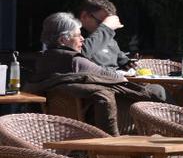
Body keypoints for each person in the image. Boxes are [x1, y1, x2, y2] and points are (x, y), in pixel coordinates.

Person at [29, 12, 163, 133]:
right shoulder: (75, 62)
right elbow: (113, 78)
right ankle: (169, 131)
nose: (82, 38)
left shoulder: (43, 60)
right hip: (98, 119)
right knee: (157, 91)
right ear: (63, 40)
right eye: (78, 34)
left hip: (63, 124)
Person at [77, 0, 165, 101]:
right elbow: (80, 54)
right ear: (84, 16)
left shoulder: (108, 40)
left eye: (107, 24)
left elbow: (122, 60)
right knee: (157, 92)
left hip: (118, 84)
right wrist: (106, 28)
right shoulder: (74, 35)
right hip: (100, 90)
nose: (107, 28)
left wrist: (129, 64)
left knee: (160, 90)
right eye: (101, 22)